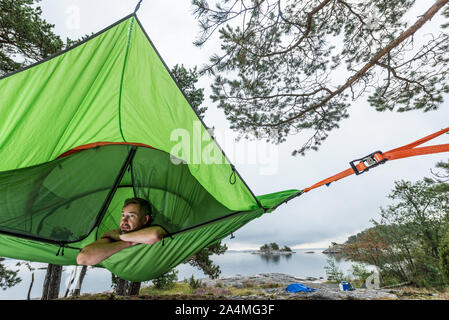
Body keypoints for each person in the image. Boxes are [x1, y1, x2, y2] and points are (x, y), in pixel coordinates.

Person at [76, 197, 166, 266]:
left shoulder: (150, 229)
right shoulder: (115, 233)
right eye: (123, 215)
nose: (124, 221)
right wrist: (127, 243)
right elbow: (82, 258)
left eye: (131, 216)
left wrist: (120, 237)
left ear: (145, 219)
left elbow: (156, 234)